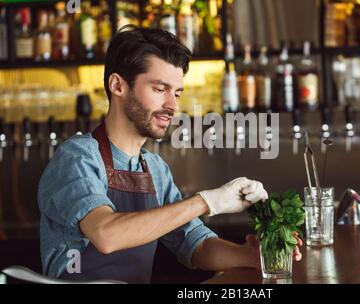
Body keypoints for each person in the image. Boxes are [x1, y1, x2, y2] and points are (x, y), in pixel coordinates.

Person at [38, 25, 302, 283]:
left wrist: (255, 257)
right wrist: (206, 202)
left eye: (176, 93)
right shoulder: (77, 157)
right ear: (118, 85)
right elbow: (106, 234)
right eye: (159, 89)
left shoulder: (154, 168)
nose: (173, 105)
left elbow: (195, 244)